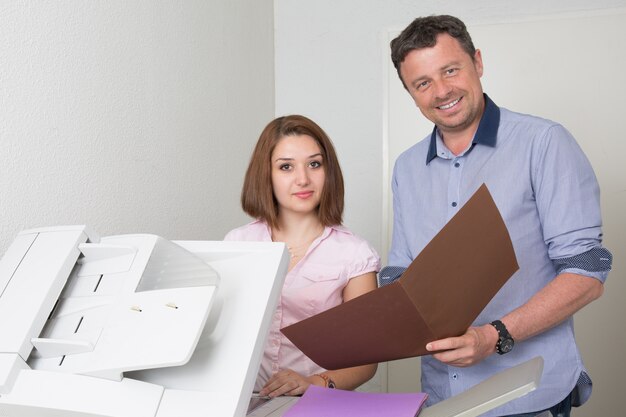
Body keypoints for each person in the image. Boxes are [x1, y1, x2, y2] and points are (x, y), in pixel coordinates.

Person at [386, 15, 612, 417]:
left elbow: (586, 272)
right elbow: (402, 272)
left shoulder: (544, 143)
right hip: (443, 399)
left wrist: (495, 336)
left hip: (530, 396)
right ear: (411, 93)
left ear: (478, 62)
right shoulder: (406, 168)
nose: (441, 91)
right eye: (423, 83)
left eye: (450, 70)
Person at [225, 115, 380, 397]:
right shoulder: (238, 243)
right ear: (266, 174)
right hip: (247, 403)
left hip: (318, 404)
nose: (303, 179)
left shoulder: (355, 254)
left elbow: (367, 361)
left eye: (314, 164)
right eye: (286, 167)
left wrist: (314, 383)